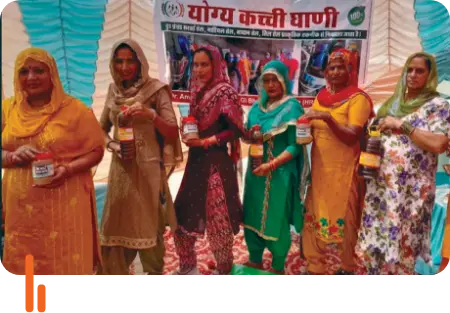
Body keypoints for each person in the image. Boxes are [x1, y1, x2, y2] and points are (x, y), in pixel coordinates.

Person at [1, 47, 105, 276]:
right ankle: (34, 307)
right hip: (22, 213)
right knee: (28, 273)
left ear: (52, 75)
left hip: (65, 206)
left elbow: (96, 150)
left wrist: (68, 169)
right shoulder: (7, 109)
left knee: (64, 264)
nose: (30, 77)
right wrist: (10, 156)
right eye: (23, 71)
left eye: (38, 70)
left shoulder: (75, 110)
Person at [356, 52, 450, 275]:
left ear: (430, 75)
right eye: (409, 69)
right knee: (378, 236)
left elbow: (438, 143)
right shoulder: (393, 102)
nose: (412, 75)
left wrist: (402, 125)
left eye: (419, 71)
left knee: (405, 242)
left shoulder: (438, 105)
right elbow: (372, 133)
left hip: (411, 190)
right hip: (380, 186)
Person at [98, 39, 183, 276]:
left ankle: (152, 273)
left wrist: (150, 114)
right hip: (121, 171)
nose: (124, 67)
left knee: (149, 227)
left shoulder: (155, 90)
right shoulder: (113, 91)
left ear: (140, 63)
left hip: (147, 171)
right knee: (116, 227)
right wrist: (113, 145)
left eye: (130, 61)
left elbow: (171, 130)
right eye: (119, 61)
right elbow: (100, 129)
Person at [173, 45, 245, 275]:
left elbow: (235, 131)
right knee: (183, 217)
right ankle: (187, 267)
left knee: (219, 221)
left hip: (215, 165)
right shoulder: (198, 92)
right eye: (195, 64)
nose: (199, 69)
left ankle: (224, 269)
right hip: (195, 164)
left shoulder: (225, 92)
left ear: (216, 65)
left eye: (205, 64)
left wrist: (205, 141)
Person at [301, 51, 374, 275]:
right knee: (314, 211)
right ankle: (315, 264)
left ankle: (346, 266)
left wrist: (328, 118)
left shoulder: (358, 98)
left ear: (350, 70)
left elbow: (352, 134)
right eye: (331, 68)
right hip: (321, 168)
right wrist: (304, 129)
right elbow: (313, 124)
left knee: (346, 216)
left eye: (341, 67)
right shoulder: (321, 95)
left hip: (345, 169)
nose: (335, 72)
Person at [243, 60, 309, 275]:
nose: (270, 85)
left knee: (276, 217)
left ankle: (278, 265)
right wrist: (248, 135)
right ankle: (254, 258)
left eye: (275, 80)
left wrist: (270, 165)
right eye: (266, 80)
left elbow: (295, 146)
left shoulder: (292, 107)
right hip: (255, 173)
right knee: (252, 214)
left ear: (284, 81)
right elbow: (247, 136)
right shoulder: (256, 106)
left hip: (279, 174)